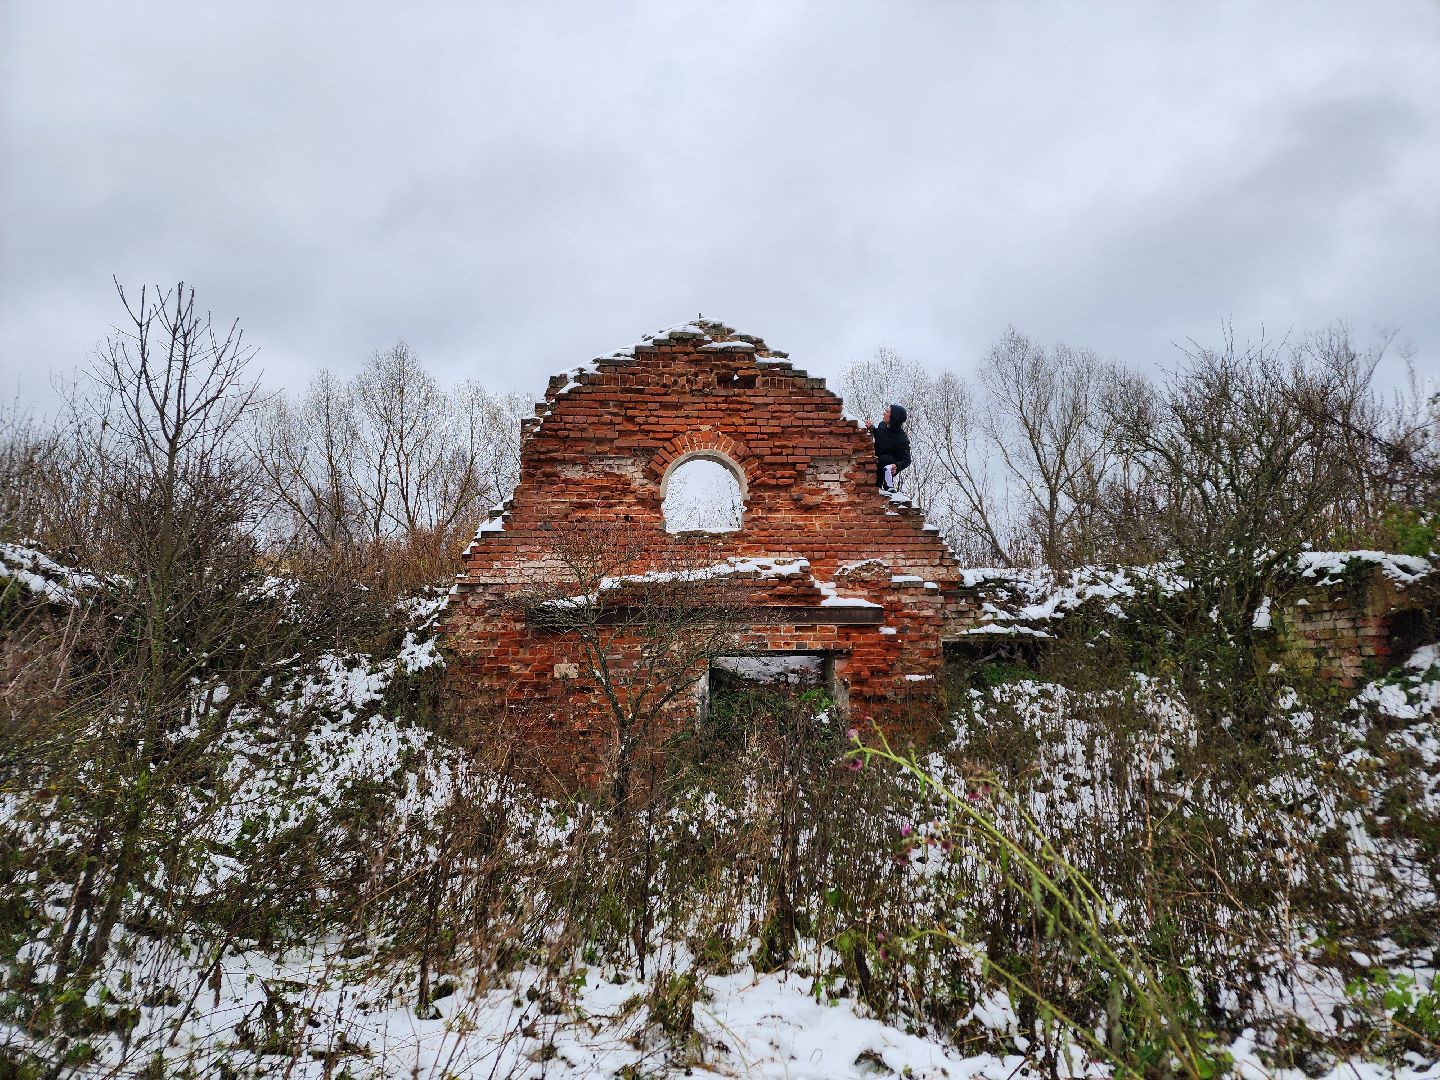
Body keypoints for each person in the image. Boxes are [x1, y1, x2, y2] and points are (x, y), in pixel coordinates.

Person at [870, 404, 911, 491]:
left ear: (893, 417)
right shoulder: (882, 426)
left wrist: (897, 466)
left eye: (887, 412)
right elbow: (879, 435)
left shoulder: (902, 439)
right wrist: (871, 427)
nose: (884, 413)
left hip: (887, 467)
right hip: (873, 464)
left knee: (886, 459)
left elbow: (907, 460)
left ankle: (888, 486)